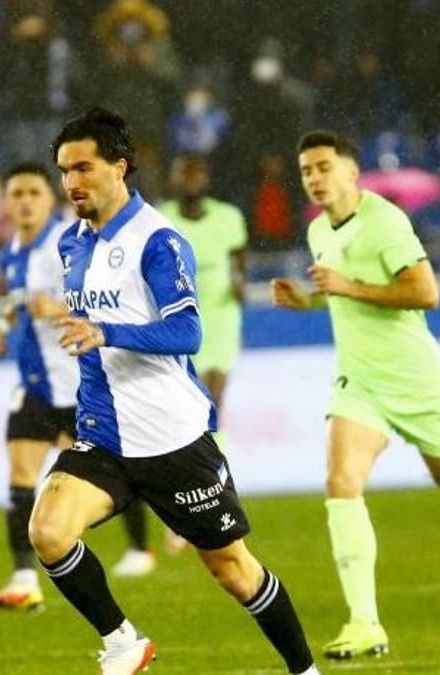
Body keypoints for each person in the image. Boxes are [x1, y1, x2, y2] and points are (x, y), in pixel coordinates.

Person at [30, 108, 317, 675]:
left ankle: (305, 672)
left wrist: (106, 331)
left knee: (233, 571)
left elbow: (188, 330)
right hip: (106, 435)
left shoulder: (158, 240)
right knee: (48, 530)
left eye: (83, 168)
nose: (71, 183)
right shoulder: (71, 244)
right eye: (64, 171)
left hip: (173, 439)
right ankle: (123, 641)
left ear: (120, 166)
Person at [271, 130, 440, 661]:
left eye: (324, 166)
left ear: (352, 171)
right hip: (360, 381)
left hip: (415, 379)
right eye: (306, 171)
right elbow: (344, 299)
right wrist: (308, 303)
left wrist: (346, 287)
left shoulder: (385, 222)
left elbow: (425, 293)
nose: (314, 178)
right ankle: (365, 622)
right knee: (341, 482)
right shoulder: (318, 233)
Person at [0, 163, 154, 613]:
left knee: (109, 472)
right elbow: (19, 302)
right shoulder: (11, 253)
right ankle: (25, 579)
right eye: (16, 193)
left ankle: (141, 548)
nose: (24, 200)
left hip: (79, 383)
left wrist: (57, 307)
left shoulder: (71, 243)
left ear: (49, 198)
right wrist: (2, 326)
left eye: (32, 192)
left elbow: (103, 296)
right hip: (36, 385)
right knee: (20, 478)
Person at [157, 152, 248, 556]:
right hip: (180, 323)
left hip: (221, 320)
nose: (190, 177)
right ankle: (184, 508)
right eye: (184, 170)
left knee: (209, 410)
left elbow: (240, 258)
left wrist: (241, 282)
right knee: (181, 415)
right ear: (175, 178)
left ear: (206, 177)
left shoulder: (229, 217)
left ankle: (215, 500)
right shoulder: (160, 217)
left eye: (196, 170)